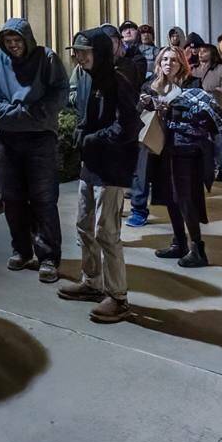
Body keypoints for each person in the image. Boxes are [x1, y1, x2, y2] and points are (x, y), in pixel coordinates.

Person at [0, 17, 69, 284]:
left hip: (40, 136)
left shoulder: (47, 58)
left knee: (43, 198)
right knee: (11, 197)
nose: (14, 45)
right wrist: (8, 111)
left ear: (27, 39)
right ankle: (21, 249)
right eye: (9, 41)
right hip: (7, 136)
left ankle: (48, 257)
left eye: (17, 40)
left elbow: (60, 91)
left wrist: (34, 112)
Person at [58, 27, 141, 323]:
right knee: (83, 225)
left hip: (112, 169)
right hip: (90, 166)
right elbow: (87, 116)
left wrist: (96, 137)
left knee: (107, 232)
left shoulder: (118, 83)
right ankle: (92, 282)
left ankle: (118, 296)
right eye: (77, 52)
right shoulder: (85, 79)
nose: (78, 57)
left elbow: (130, 127)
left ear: (101, 53)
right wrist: (82, 130)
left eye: (84, 52)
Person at [150, 65, 222, 268]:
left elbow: (209, 118)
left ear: (181, 63)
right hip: (163, 148)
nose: (168, 63)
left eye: (173, 59)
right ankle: (179, 243)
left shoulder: (192, 86)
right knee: (170, 197)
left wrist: (174, 110)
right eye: (164, 59)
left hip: (187, 149)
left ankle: (197, 248)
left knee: (185, 198)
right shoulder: (154, 85)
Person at [191, 42, 222, 181]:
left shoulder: (221, 69)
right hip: (198, 111)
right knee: (202, 142)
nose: (201, 53)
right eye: (200, 51)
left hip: (218, 111)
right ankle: (207, 168)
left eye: (205, 51)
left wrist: (209, 90)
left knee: (219, 142)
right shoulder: (193, 69)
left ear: (212, 53)